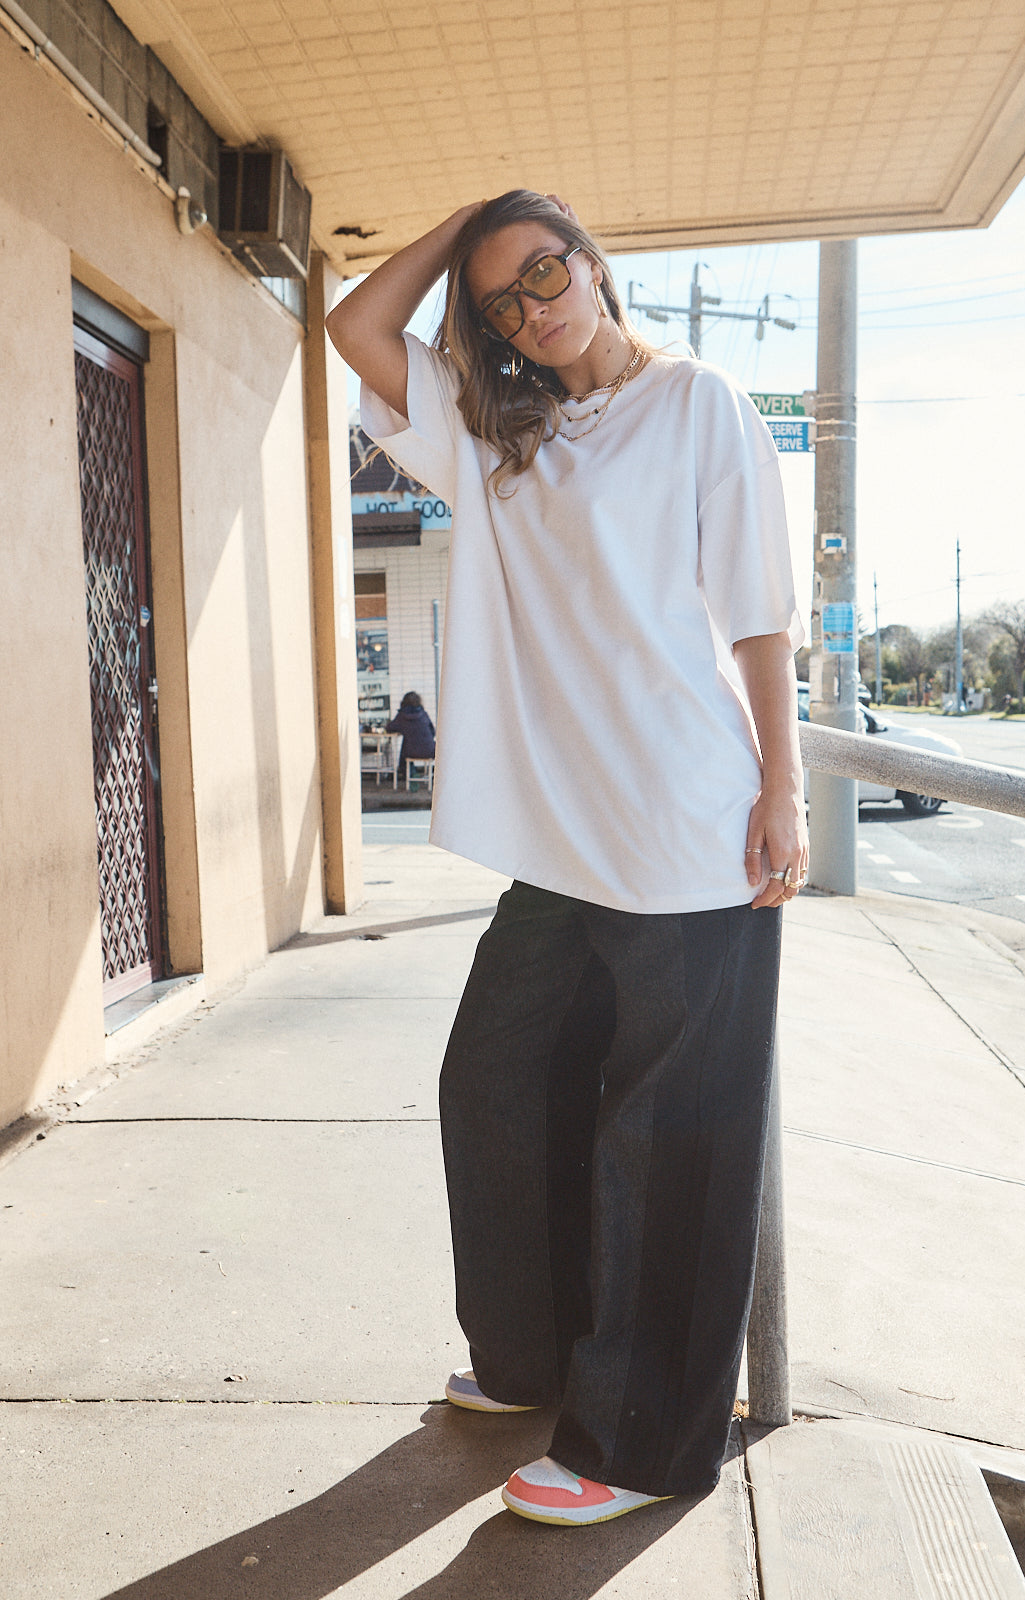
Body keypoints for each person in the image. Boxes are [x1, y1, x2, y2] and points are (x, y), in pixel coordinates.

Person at [325, 189, 808, 1528]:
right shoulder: (501, 430)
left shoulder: (698, 403)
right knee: (496, 1077)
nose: (531, 310)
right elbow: (354, 326)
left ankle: (639, 1445)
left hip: (690, 832)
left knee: (672, 1140)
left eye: (545, 272)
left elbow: (759, 613)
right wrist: (464, 225)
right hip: (566, 842)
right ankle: (534, 1359)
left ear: (594, 263)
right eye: (501, 303)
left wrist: (783, 787)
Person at [385, 689, 436, 783]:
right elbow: (433, 732)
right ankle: (422, 775)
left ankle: (408, 773)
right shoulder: (423, 714)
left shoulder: (402, 716)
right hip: (430, 751)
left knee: (406, 744)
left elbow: (390, 728)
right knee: (409, 742)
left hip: (411, 752)